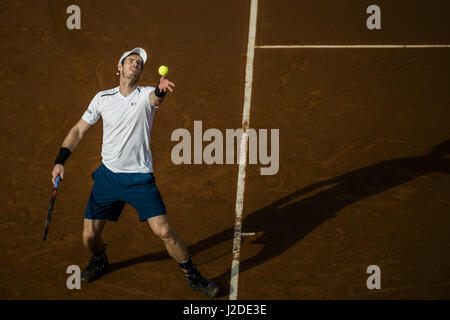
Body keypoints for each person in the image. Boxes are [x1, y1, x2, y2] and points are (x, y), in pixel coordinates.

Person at [51, 47, 219, 298]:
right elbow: (78, 131)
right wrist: (60, 160)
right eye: (130, 60)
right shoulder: (102, 98)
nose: (135, 64)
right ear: (119, 67)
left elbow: (156, 99)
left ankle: (192, 274)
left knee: (164, 232)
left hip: (139, 179)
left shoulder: (145, 95)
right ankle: (100, 258)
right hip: (108, 178)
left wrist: (161, 90)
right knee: (89, 237)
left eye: (139, 63)